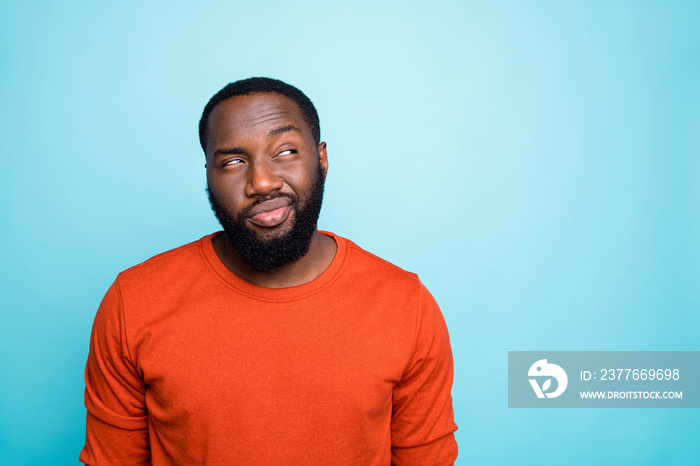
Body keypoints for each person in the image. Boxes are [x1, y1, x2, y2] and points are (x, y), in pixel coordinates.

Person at [80, 77, 458, 465]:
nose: (261, 182)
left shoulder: (404, 304)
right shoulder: (136, 301)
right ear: (208, 174)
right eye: (233, 162)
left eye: (285, 151)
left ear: (322, 159)